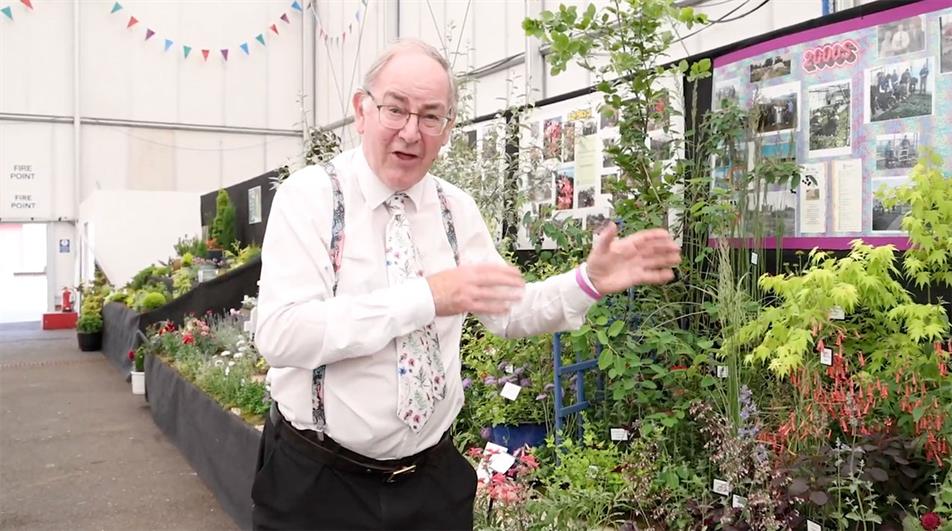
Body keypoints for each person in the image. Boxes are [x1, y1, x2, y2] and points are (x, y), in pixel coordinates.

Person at [250, 39, 681, 531]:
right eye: (396, 109)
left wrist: (588, 281)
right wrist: (427, 297)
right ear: (361, 111)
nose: (411, 131)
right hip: (319, 485)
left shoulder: (455, 210)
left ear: (448, 128)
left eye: (431, 116)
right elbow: (282, 334)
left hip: (431, 486)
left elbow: (508, 312)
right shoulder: (310, 197)